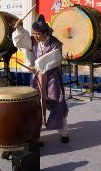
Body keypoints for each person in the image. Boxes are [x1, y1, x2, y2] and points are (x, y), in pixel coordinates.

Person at [12, 15, 69, 143]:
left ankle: (64, 133)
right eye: (34, 33)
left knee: (57, 103)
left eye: (38, 34)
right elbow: (20, 41)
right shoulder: (33, 41)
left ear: (45, 32)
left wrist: (37, 67)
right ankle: (35, 132)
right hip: (37, 78)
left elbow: (54, 59)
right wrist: (20, 29)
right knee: (35, 104)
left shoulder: (55, 43)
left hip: (52, 78)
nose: (36, 36)